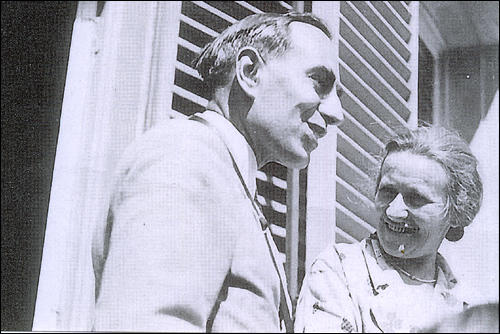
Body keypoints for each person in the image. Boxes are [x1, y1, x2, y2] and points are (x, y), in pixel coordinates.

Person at [91, 12, 344, 332]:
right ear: (250, 72)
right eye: (319, 83)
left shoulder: (226, 177)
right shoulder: (187, 158)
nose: (337, 114)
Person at [294, 125, 483, 333]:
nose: (394, 211)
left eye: (416, 198)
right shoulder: (340, 271)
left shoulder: (467, 307)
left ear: (456, 212)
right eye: (387, 192)